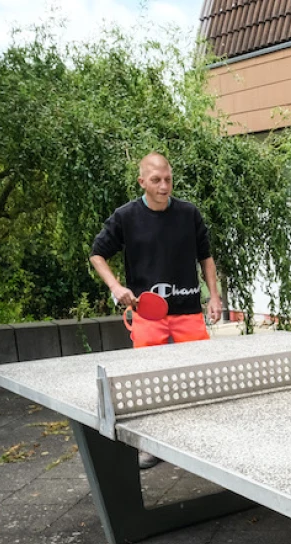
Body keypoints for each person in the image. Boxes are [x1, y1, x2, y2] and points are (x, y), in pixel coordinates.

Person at [90, 152, 224, 469]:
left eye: (168, 179)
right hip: (148, 316)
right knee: (149, 384)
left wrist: (214, 297)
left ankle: (204, 442)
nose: (164, 186)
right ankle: (153, 446)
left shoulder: (189, 214)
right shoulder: (125, 217)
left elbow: (206, 258)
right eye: (156, 180)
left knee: (200, 378)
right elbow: (97, 255)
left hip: (189, 311)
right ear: (142, 182)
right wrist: (116, 287)